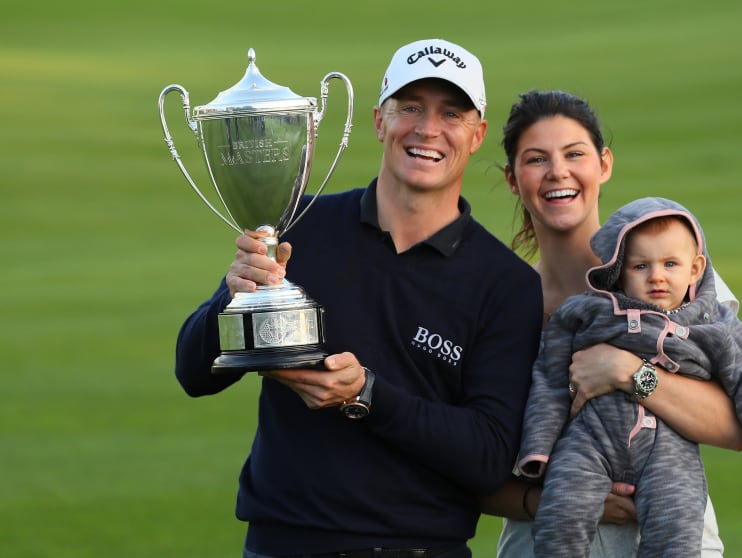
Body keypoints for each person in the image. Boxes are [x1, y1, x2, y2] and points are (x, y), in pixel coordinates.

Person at [174, 38, 544, 557]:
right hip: (284, 542)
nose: (427, 129)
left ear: (477, 134)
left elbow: (485, 454)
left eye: (451, 113)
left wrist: (367, 395)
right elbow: (192, 373)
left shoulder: (506, 284)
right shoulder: (298, 224)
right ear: (378, 120)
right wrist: (233, 297)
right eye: (409, 108)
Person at [481, 90, 742, 558]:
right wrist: (565, 499)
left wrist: (629, 373)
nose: (557, 172)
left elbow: (734, 425)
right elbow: (470, 465)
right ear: (512, 178)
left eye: (574, 154)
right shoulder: (495, 300)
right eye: (535, 159)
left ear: (604, 164)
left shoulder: (671, 270)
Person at [518, 196, 742, 557]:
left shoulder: (713, 323)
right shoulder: (588, 312)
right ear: (618, 271)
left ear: (695, 269)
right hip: (591, 438)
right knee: (562, 510)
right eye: (640, 266)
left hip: (668, 449)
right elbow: (550, 380)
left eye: (670, 264)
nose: (657, 276)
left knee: (676, 526)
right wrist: (538, 447)